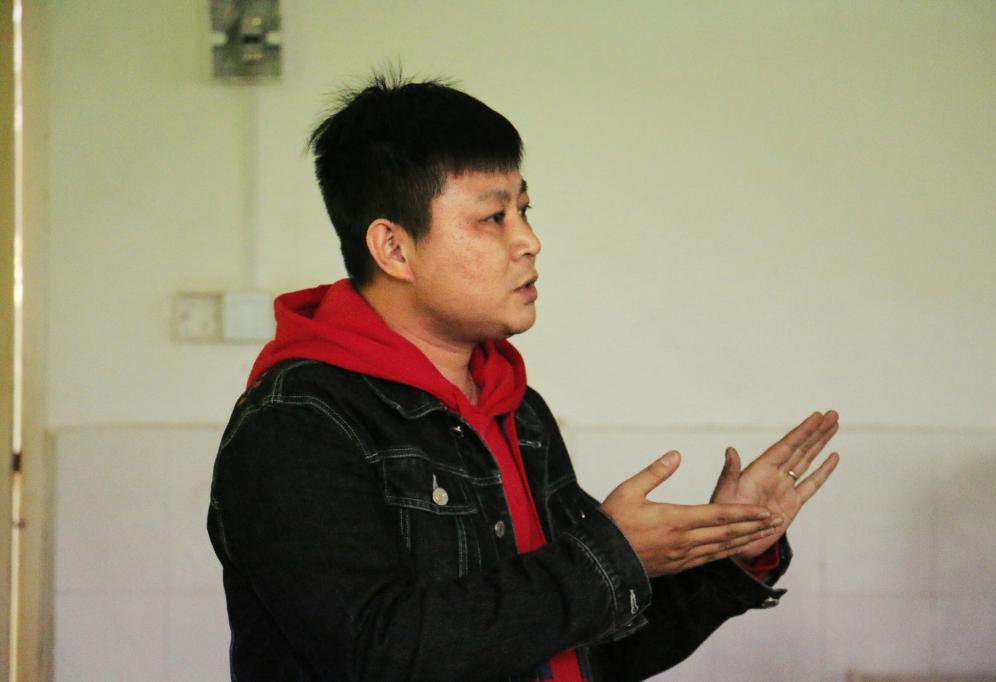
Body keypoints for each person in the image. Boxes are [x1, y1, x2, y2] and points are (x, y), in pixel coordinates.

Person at [207, 73, 840, 682]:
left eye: (525, 210)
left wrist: (730, 549)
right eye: (494, 218)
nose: (530, 241)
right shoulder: (297, 422)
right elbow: (380, 654)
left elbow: (591, 648)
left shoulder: (516, 409)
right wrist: (609, 560)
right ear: (394, 249)